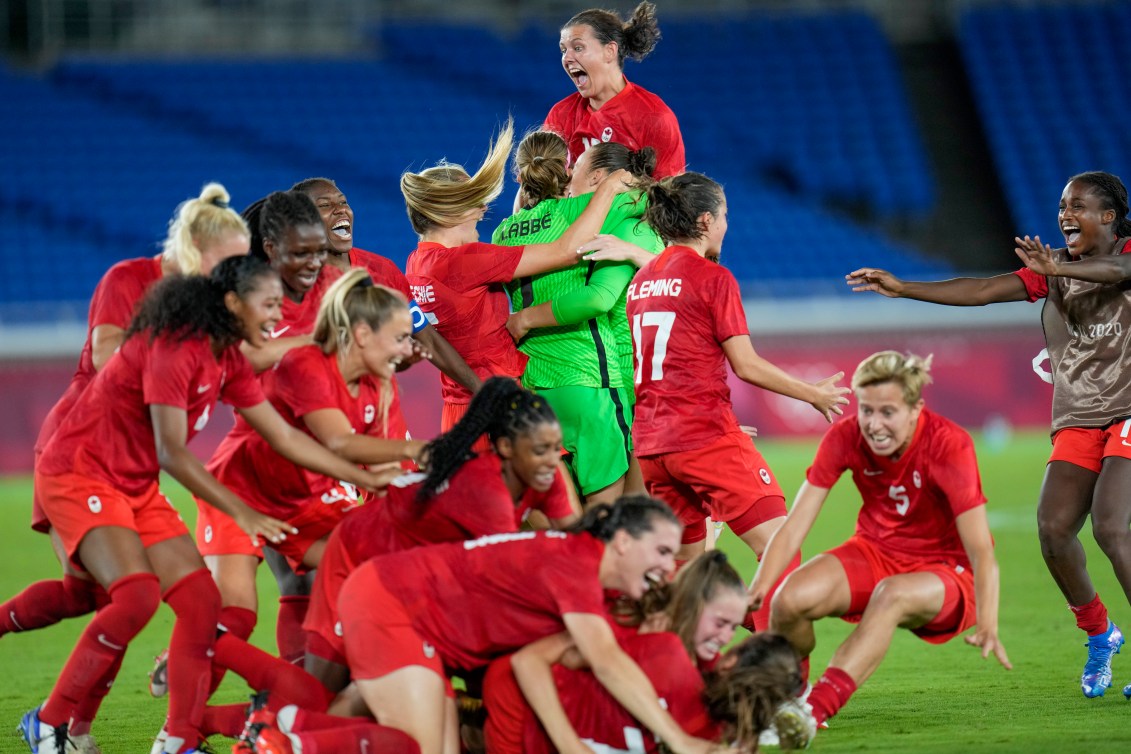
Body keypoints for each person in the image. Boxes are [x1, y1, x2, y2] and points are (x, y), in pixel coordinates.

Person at [20, 256, 390, 754]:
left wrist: (367, 479)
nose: (276, 316)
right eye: (269, 306)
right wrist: (242, 511)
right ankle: (53, 722)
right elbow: (172, 451)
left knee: (190, 604)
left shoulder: (233, 359)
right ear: (233, 302)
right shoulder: (178, 350)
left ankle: (179, 737)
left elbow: (282, 435)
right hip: (101, 472)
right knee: (135, 600)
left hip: (163, 484)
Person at [846, 170, 1131, 698]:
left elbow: (1118, 269)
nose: (1064, 213)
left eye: (1078, 205)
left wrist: (1060, 269)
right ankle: (1099, 634)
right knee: (1052, 531)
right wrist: (903, 287)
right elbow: (979, 290)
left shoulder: (1121, 256)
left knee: (1114, 528)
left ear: (1109, 217)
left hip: (1129, 411)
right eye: (1061, 205)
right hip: (1077, 416)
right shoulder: (1054, 271)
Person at [0, 182, 250, 753]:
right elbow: (114, 356)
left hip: (133, 464)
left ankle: (144, 735)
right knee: (123, 596)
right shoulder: (131, 280)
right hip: (84, 445)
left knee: (89, 595)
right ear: (192, 250)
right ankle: (62, 725)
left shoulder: (211, 312)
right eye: (225, 264)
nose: (231, 276)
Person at [584, 172, 849, 633]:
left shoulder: (643, 280)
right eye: (724, 215)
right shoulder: (714, 278)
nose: (728, 223)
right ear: (706, 220)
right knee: (781, 545)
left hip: (654, 448)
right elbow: (744, 364)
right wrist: (812, 394)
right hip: (702, 436)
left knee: (686, 571)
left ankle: (679, 674)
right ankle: (783, 681)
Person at [321, 496, 714, 754]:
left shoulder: (585, 571)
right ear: (624, 542)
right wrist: (679, 740)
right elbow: (606, 661)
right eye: (662, 551)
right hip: (392, 604)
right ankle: (273, 739)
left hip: (403, 608)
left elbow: (537, 660)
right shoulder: (577, 567)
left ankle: (285, 730)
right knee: (413, 747)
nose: (667, 566)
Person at [748, 351, 1010, 732]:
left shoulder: (949, 444)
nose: (873, 425)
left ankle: (811, 714)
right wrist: (760, 587)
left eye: (887, 412)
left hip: (946, 573)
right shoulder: (845, 436)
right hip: (874, 550)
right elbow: (793, 527)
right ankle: (790, 697)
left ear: (916, 408)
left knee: (891, 594)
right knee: (788, 600)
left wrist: (988, 621)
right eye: (866, 411)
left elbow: (981, 550)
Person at [185, 269, 423, 685]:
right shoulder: (306, 366)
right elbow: (339, 443)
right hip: (240, 491)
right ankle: (178, 735)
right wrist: (416, 451)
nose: (409, 352)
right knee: (236, 616)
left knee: (373, 567)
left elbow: (384, 471)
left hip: (302, 497)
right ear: (363, 335)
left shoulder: (379, 384)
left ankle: (305, 702)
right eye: (401, 338)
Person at [301, 376, 578, 695]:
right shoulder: (486, 489)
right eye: (542, 450)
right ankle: (270, 728)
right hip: (358, 553)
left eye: (556, 449)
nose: (552, 460)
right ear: (505, 448)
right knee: (322, 694)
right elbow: (501, 588)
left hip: (416, 571)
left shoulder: (542, 473)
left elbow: (576, 547)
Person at [400, 118, 632, 438]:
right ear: (449, 211)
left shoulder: (416, 265)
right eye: (473, 200)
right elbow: (566, 250)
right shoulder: (466, 261)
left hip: (457, 410)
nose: (483, 208)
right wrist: (607, 190)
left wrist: (526, 206)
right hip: (499, 405)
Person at [481, 549, 810, 753]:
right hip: (521, 702)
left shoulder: (701, 658)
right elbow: (530, 661)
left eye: (732, 627)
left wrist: (756, 722)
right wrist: (571, 746)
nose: (725, 637)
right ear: (692, 606)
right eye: (721, 622)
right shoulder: (631, 624)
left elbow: (729, 700)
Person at [493, 131, 662, 507]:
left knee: (554, 514)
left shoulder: (502, 231)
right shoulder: (591, 212)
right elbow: (663, 199)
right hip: (593, 382)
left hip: (533, 383)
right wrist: (631, 180)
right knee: (615, 519)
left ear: (520, 177)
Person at [291, 176, 481, 395]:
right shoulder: (295, 284)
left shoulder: (382, 271)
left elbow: (428, 339)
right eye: (324, 205)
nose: (340, 210)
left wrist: (482, 391)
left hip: (380, 412)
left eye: (343, 202)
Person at [546, 1, 685, 178]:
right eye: (563, 50)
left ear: (610, 51)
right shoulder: (560, 115)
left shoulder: (654, 117)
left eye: (578, 48)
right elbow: (544, 188)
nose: (567, 58)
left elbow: (669, 196)